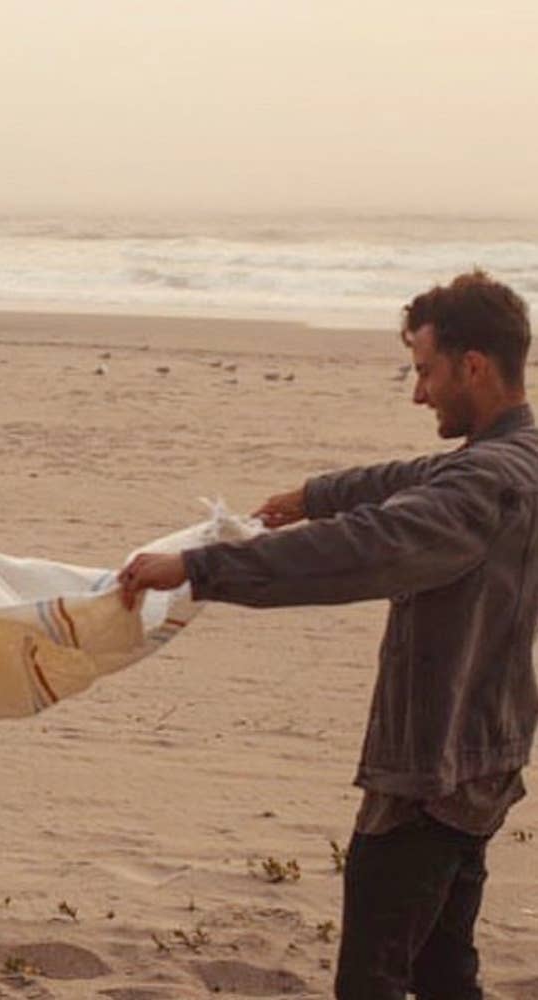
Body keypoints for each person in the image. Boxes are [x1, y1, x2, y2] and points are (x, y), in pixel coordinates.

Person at [118, 270, 535, 1000]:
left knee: (370, 981)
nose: (417, 394)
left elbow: (362, 549)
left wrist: (195, 567)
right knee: (442, 971)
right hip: (488, 754)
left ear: (472, 365)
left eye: (424, 372)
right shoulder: (518, 457)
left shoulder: (480, 489)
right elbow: (416, 476)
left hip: (429, 773)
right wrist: (315, 494)